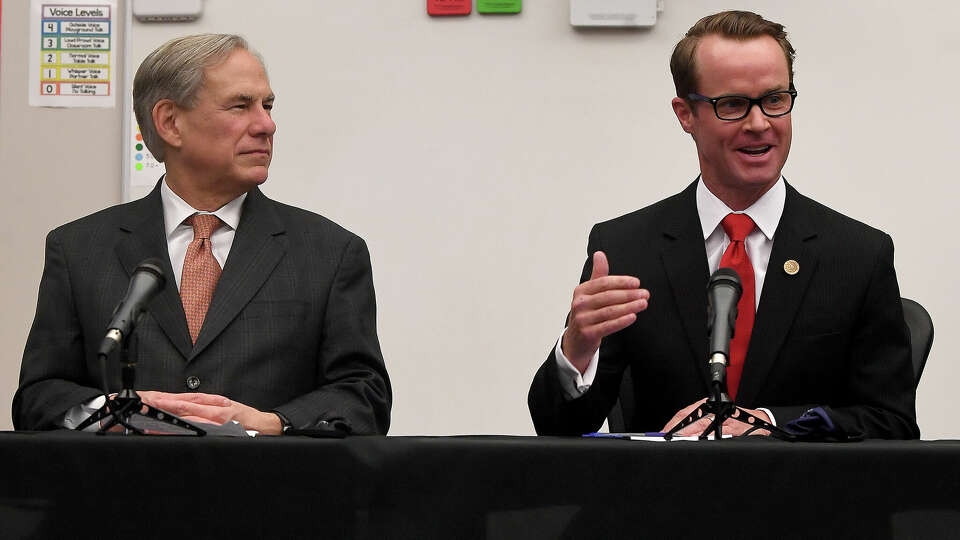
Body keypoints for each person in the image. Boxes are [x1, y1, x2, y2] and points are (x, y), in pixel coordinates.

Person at [528, 11, 918, 439]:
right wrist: (577, 350)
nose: (759, 123)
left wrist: (767, 423)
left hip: (804, 501)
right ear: (686, 115)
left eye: (774, 99)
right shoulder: (625, 248)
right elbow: (558, 428)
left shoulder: (858, 255)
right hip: (664, 499)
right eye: (732, 105)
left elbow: (892, 424)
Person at [13, 34, 391, 435]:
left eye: (267, 106)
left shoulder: (329, 253)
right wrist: (108, 412)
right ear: (170, 122)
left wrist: (273, 423)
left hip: (267, 490)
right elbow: (38, 398)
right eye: (241, 106)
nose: (267, 124)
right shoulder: (79, 249)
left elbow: (363, 396)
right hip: (126, 492)